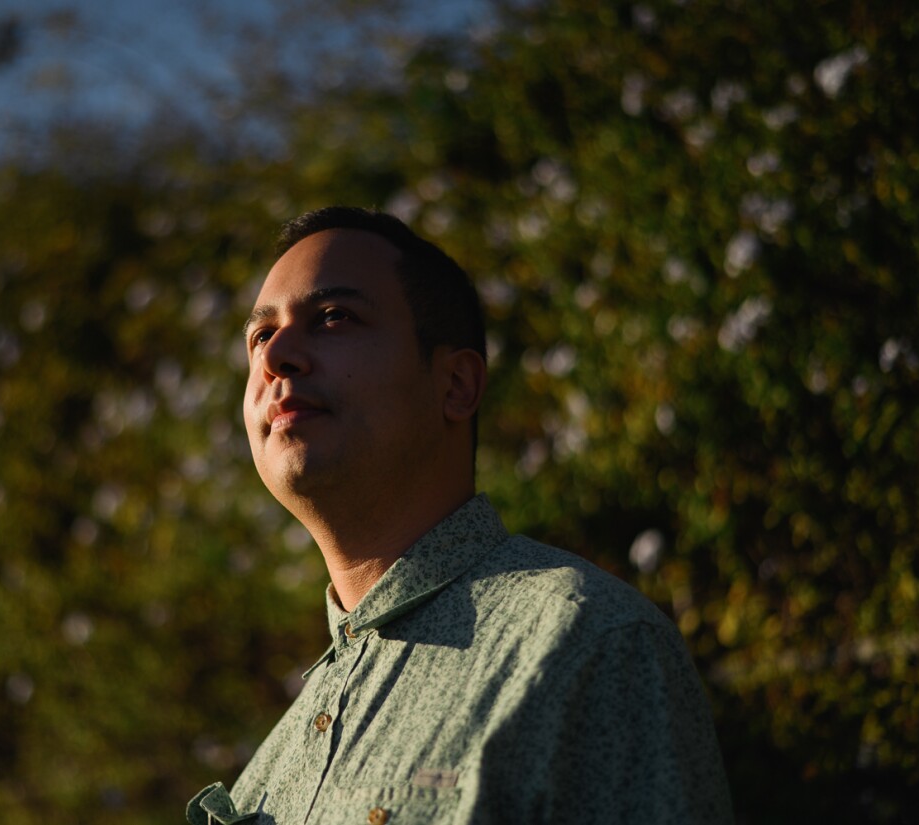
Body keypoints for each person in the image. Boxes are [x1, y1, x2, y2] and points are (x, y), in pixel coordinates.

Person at [186, 207, 733, 825]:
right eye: (260, 336)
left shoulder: (587, 646)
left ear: (456, 385)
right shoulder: (268, 771)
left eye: (334, 318)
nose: (276, 355)